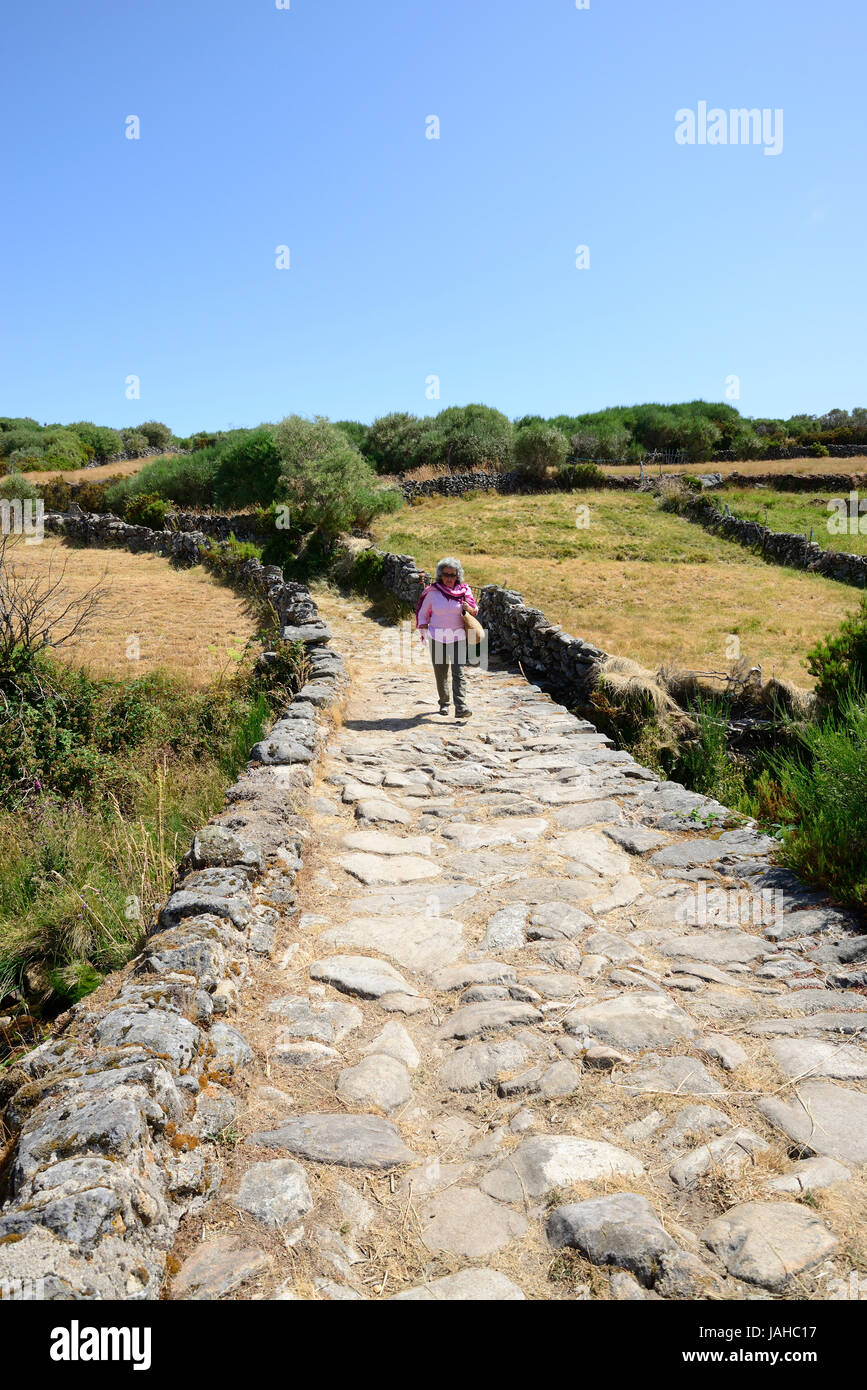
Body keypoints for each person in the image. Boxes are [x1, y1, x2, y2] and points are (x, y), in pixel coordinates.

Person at [415, 557, 478, 719]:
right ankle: (444, 703)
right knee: (441, 673)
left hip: (458, 637)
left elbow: (474, 610)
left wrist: (468, 607)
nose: (449, 578)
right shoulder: (433, 592)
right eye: (446, 574)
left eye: (453, 575)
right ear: (440, 575)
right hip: (437, 637)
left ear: (458, 575)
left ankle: (461, 707)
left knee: (459, 672)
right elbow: (422, 612)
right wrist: (422, 625)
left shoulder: (464, 591)